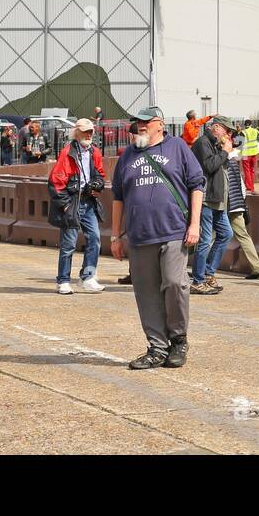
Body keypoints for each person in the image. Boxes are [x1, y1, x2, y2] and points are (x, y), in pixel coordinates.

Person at [111, 107, 205, 370]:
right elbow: (118, 196)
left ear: (160, 124)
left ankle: (178, 340)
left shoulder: (177, 147)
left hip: (173, 231)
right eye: (137, 123)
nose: (140, 126)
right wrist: (116, 235)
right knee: (147, 293)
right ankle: (156, 348)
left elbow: (197, 185)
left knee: (175, 284)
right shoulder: (127, 155)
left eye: (145, 122)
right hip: (139, 236)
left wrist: (195, 224)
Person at [49, 118, 107, 294]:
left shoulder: (94, 152)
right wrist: (66, 205)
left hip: (88, 201)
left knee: (95, 239)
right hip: (73, 201)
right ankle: (63, 280)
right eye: (85, 132)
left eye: (91, 132)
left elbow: (100, 173)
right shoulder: (68, 153)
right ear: (77, 133)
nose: (89, 135)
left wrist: (98, 184)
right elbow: (56, 181)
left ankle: (88, 276)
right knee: (68, 244)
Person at [191, 120, 235, 295]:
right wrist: (224, 151)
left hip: (218, 200)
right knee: (205, 239)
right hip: (207, 198)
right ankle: (198, 280)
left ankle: (208, 272)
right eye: (226, 130)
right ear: (216, 128)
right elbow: (209, 166)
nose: (228, 135)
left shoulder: (216, 144)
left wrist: (224, 151)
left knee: (226, 234)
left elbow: (220, 167)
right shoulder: (203, 142)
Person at [224, 150, 259, 279]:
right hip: (237, 205)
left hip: (225, 205)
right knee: (243, 235)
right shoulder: (235, 166)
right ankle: (257, 267)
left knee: (211, 236)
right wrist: (241, 203)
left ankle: (202, 269)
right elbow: (242, 188)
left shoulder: (221, 165)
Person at [240, 119, 259, 191]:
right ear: (251, 124)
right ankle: (252, 187)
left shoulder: (243, 132)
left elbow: (240, 144)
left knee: (247, 171)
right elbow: (257, 131)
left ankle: (249, 187)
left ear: (245, 125)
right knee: (252, 170)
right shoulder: (255, 131)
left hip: (245, 154)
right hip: (254, 153)